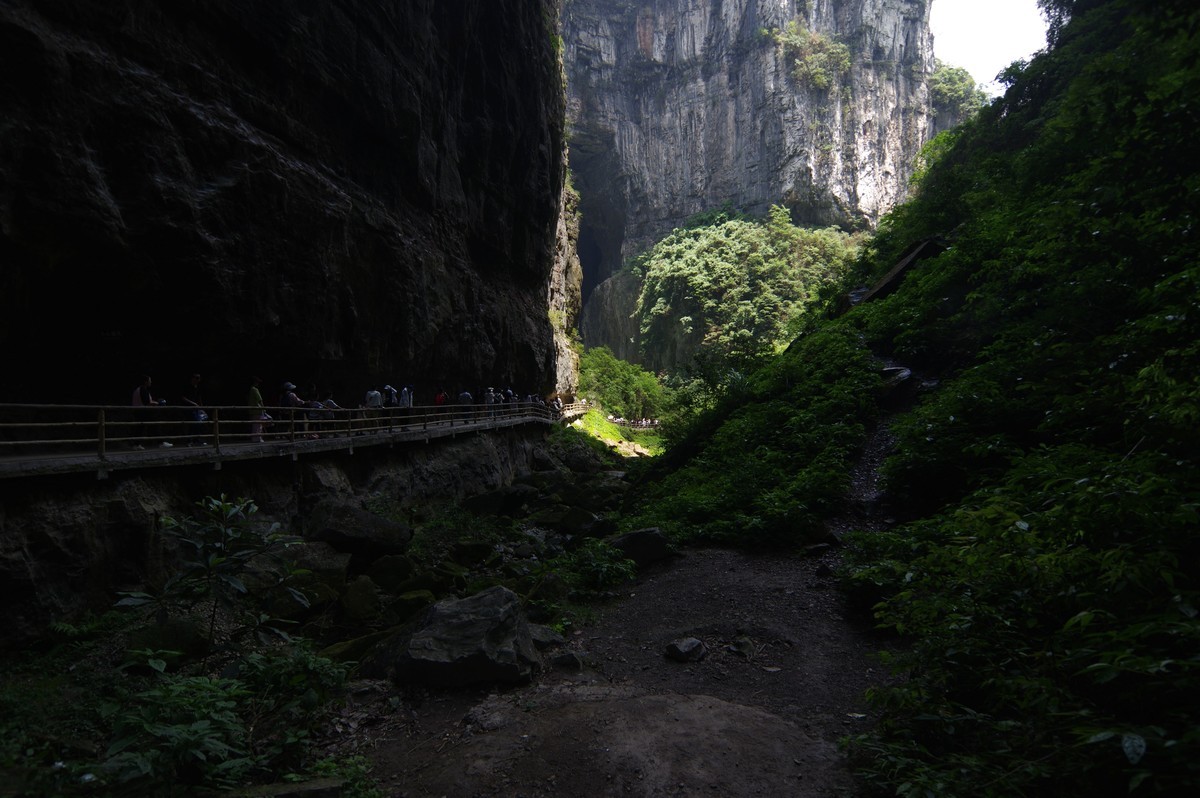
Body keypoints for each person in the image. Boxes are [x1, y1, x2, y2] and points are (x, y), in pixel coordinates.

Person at [131, 375, 171, 449]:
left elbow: (147, 401)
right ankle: (160, 443)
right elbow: (147, 402)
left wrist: (156, 403)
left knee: (140, 428)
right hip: (143, 412)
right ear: (145, 382)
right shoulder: (143, 389)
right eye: (149, 380)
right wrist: (159, 403)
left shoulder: (139, 389)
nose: (151, 382)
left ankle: (136, 444)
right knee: (155, 425)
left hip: (139, 412)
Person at [180, 373, 210, 446]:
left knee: (198, 424)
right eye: (196, 378)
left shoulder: (198, 387)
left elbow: (199, 398)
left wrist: (202, 408)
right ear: (192, 379)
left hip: (196, 409)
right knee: (192, 424)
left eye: (198, 378)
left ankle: (197, 440)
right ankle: (189, 441)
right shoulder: (187, 387)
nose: (197, 380)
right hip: (188, 408)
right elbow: (183, 397)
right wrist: (193, 403)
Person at [247, 376, 267, 443]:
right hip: (257, 410)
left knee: (255, 425)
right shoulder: (255, 390)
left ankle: (254, 438)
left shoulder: (250, 389)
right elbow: (260, 400)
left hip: (252, 410)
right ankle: (257, 439)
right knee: (258, 425)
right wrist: (263, 408)